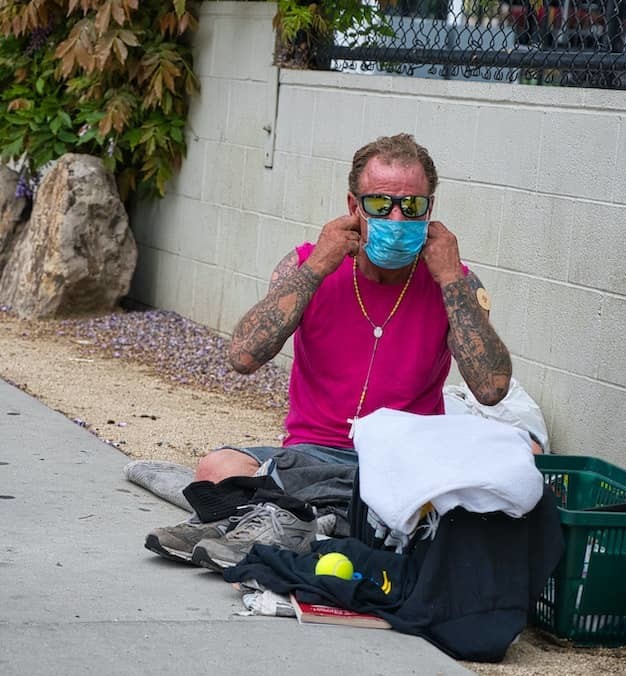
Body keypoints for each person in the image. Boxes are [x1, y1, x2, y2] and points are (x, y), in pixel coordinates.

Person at [145, 133, 517, 569]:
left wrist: (451, 278)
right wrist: (318, 266)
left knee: (414, 505)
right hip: (311, 456)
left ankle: (273, 521)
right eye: (380, 204)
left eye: (412, 206)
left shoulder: (455, 283)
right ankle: (310, 522)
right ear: (353, 205)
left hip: (401, 462)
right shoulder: (309, 263)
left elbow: (491, 389)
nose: (396, 218)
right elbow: (242, 357)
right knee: (217, 467)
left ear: (430, 210)